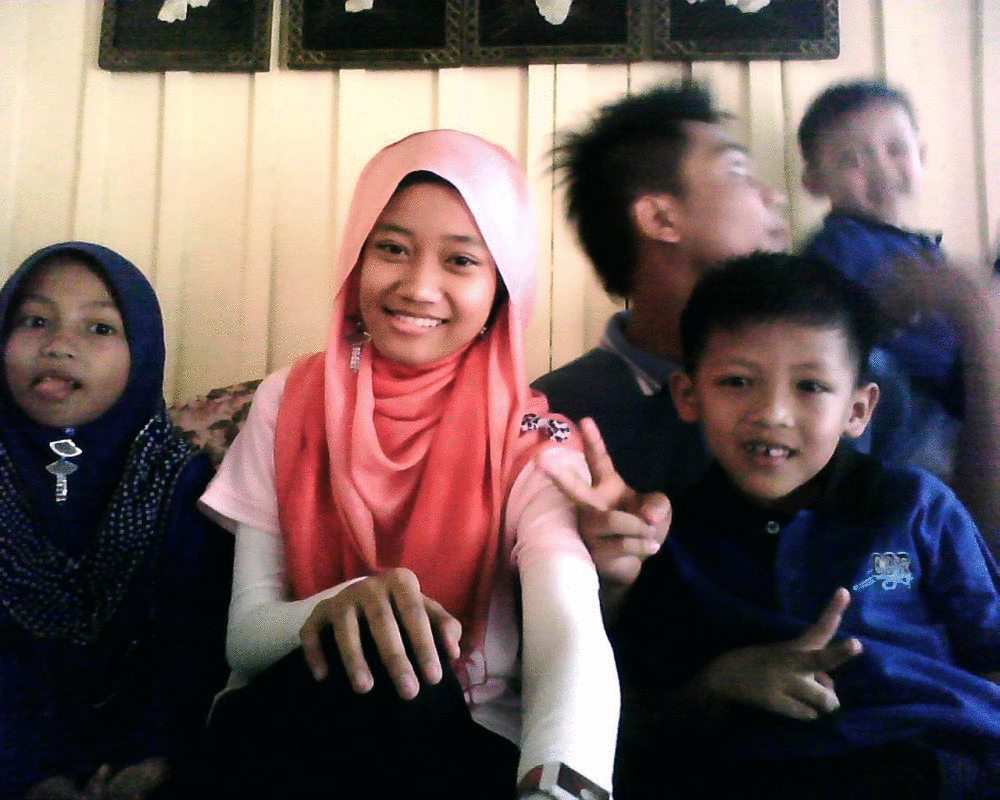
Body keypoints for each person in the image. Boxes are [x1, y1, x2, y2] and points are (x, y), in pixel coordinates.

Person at [197, 130, 619, 799]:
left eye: (461, 260)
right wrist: (343, 605)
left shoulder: (534, 438)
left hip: (457, 744)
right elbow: (246, 638)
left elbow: (568, 627)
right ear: (356, 257)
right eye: (391, 248)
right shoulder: (291, 399)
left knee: (412, 686)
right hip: (292, 721)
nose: (419, 287)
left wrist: (561, 788)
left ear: (502, 287)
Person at [611, 252, 1000, 799]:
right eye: (738, 381)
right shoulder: (668, 540)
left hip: (941, 762)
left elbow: (991, 646)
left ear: (858, 411)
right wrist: (720, 682)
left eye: (810, 386)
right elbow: (637, 723)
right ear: (688, 395)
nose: (773, 413)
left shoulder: (914, 506)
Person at [530, 81, 788, 603]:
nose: (775, 197)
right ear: (661, 218)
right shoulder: (557, 415)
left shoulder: (843, 380)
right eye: (738, 171)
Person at [0, 243, 233, 799]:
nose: (59, 345)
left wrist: (154, 761)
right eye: (35, 321)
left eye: (100, 328)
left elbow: (198, 646)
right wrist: (30, 778)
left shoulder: (182, 485)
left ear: (143, 354)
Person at [798, 78, 1000, 546]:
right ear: (814, 182)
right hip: (914, 407)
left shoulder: (916, 248)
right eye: (853, 159)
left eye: (896, 149)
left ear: (921, 156)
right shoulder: (839, 248)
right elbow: (889, 330)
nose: (881, 169)